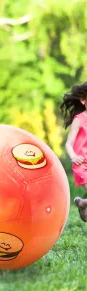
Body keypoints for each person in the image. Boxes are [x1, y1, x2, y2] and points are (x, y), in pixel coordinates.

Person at [61, 81, 87, 222]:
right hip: (82, 164)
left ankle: (83, 203)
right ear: (83, 100)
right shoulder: (79, 120)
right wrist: (74, 157)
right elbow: (69, 144)